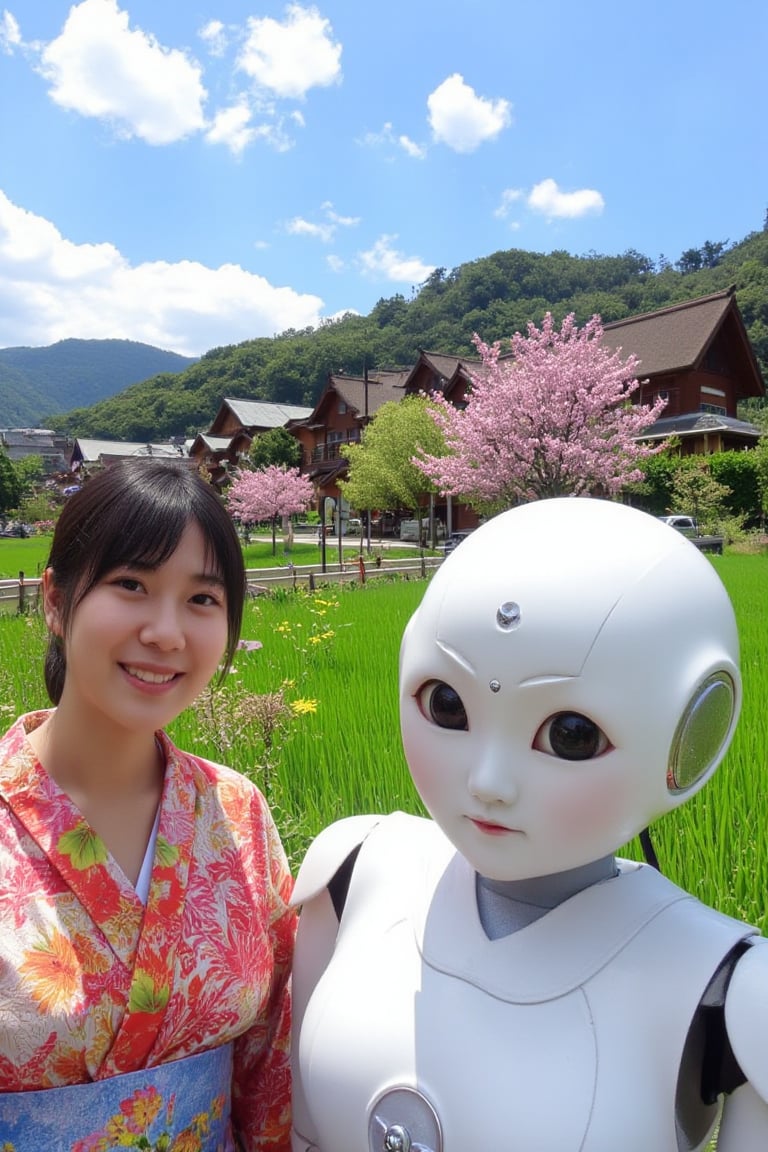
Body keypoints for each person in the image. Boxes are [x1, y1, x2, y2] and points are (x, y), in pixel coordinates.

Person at [290, 497, 768, 1152]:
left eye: (571, 736)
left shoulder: (728, 986)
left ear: (693, 735)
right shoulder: (351, 871)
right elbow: (299, 1132)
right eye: (446, 704)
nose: (487, 782)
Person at [0, 459, 296, 1150]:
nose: (167, 632)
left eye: (202, 599)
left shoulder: (235, 810)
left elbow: (269, 1057)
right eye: (131, 584)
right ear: (54, 599)